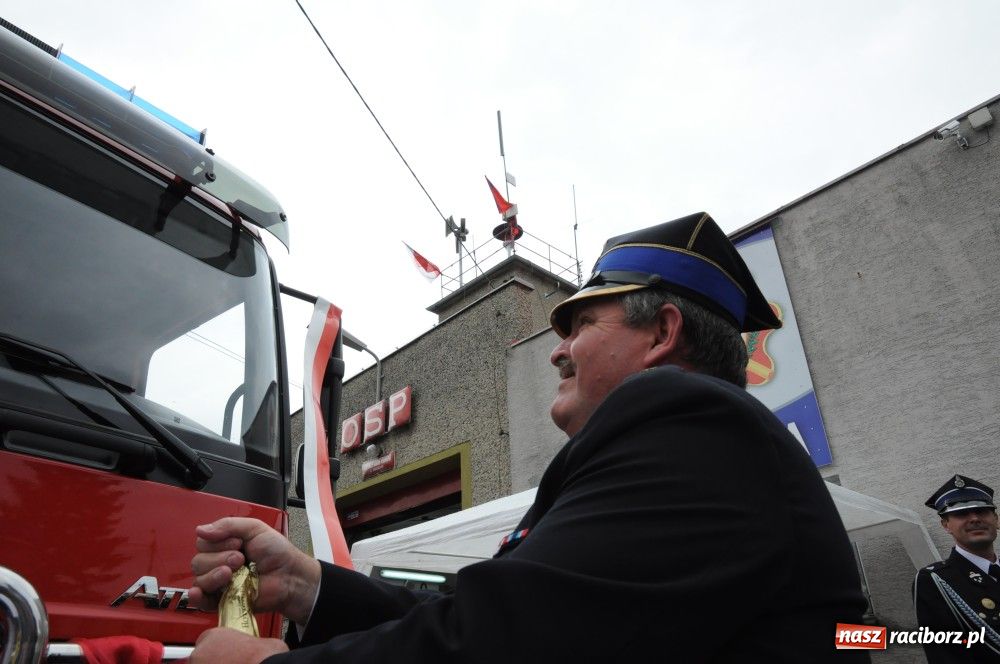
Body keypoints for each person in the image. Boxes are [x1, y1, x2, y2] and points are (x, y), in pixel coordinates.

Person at [189, 212, 868, 663]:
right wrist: (310, 585)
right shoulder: (689, 440)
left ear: (662, 334)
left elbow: (510, 642)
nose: (557, 350)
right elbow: (492, 611)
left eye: (579, 325)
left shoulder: (689, 419)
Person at [914, 475, 1000, 662]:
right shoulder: (935, 580)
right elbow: (943, 654)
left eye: (982, 511)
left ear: (996, 520)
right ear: (946, 525)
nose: (974, 518)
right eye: (962, 514)